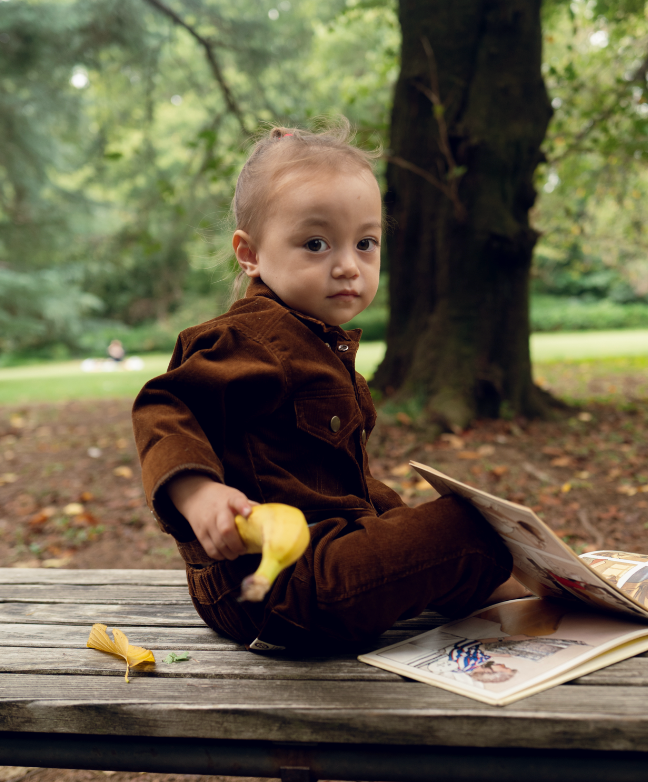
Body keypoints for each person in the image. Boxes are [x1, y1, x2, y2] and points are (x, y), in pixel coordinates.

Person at [132, 121, 518, 654]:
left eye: (366, 243)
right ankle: (525, 594)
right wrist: (198, 494)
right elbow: (164, 406)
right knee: (464, 527)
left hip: (317, 569)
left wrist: (404, 526)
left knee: (454, 522)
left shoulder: (319, 346)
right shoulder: (248, 338)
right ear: (249, 253)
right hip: (278, 585)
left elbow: (349, 490)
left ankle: (507, 592)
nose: (347, 266)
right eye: (316, 244)